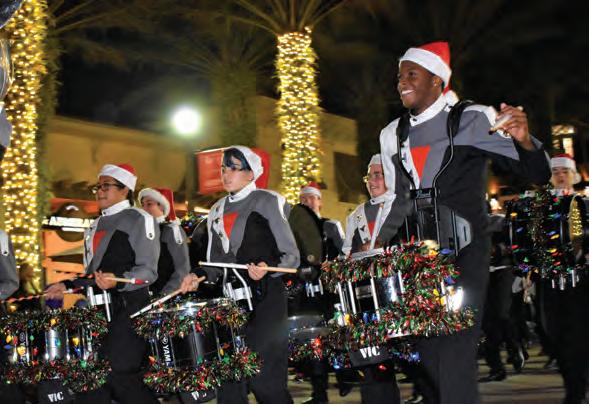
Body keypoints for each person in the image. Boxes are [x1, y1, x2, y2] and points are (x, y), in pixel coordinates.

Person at [379, 41, 551, 404]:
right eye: (399, 76)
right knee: (428, 354)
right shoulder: (392, 133)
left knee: (454, 352)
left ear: (437, 80)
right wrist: (377, 246)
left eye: (412, 74)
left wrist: (524, 141)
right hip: (417, 259)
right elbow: (397, 200)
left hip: (465, 253)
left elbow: (536, 173)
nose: (402, 82)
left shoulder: (471, 118)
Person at [45, 163, 160, 404]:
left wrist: (116, 282)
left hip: (130, 310)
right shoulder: (94, 225)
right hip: (98, 312)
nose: (99, 191)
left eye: (106, 186)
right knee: (92, 380)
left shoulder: (139, 218)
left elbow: (148, 272)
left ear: (125, 189)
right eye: (97, 186)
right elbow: (91, 275)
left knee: (120, 373)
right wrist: (65, 286)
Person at [203, 146, 299, 404]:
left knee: (265, 381)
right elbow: (213, 263)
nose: (226, 174)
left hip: (266, 299)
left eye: (233, 168)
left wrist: (268, 267)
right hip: (231, 303)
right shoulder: (215, 210)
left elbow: (291, 256)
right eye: (223, 168)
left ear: (251, 173)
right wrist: (197, 276)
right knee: (230, 383)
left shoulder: (267, 200)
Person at [342, 154, 401, 404]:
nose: (372, 181)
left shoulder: (401, 206)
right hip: (367, 299)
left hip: (400, 296)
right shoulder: (355, 216)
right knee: (372, 362)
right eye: (369, 176)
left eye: (378, 175)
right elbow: (346, 255)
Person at [288, 183, 349, 403]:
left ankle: (345, 376)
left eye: (310, 198)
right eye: (302, 199)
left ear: (319, 202)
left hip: (328, 294)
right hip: (306, 295)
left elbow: (344, 254)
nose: (306, 202)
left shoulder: (330, 226)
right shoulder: (293, 231)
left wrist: (330, 266)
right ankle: (319, 393)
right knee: (311, 342)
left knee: (335, 337)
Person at [539, 154, 589, 404]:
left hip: (581, 281)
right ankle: (573, 383)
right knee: (556, 336)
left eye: (564, 171)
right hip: (551, 280)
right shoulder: (542, 207)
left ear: (573, 175)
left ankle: (576, 390)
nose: (560, 175)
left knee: (579, 337)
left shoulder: (584, 204)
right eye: (556, 171)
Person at [139, 187, 200, 295]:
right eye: (142, 205)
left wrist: (165, 295)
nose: (144, 209)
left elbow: (182, 269)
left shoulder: (171, 231)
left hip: (165, 297)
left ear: (162, 206)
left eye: (149, 204)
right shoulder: (142, 232)